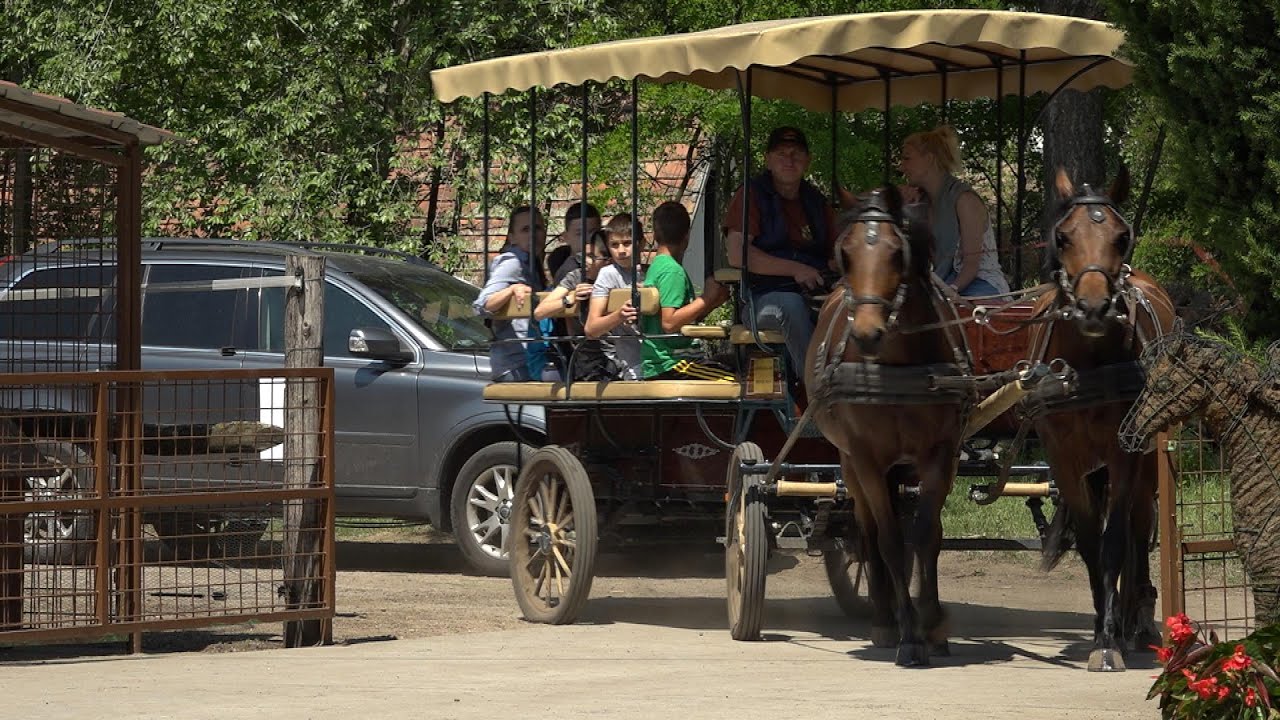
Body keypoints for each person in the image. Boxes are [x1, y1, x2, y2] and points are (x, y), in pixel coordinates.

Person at [723, 126, 837, 373]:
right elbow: (737, 253)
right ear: (768, 159)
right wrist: (796, 269)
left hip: (816, 293)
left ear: (807, 160)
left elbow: (837, 252)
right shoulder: (751, 195)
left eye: (796, 154)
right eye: (781, 154)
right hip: (761, 299)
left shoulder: (816, 201)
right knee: (791, 306)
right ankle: (818, 388)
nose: (789, 160)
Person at [898, 125, 1010, 297]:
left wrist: (951, 290)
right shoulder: (920, 201)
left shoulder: (964, 199)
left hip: (979, 284)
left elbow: (971, 264)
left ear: (929, 159)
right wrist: (902, 209)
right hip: (941, 282)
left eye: (907, 159)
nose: (901, 167)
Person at [642, 201, 733, 380]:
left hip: (671, 363)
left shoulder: (658, 266)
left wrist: (712, 304)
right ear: (687, 236)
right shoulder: (671, 271)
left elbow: (683, 319)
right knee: (738, 383)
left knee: (731, 364)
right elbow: (669, 323)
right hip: (673, 365)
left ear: (655, 234)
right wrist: (706, 298)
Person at [472, 205, 549, 382]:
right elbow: (482, 304)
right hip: (515, 364)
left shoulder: (532, 263)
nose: (532, 234)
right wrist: (511, 290)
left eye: (537, 228)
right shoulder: (512, 262)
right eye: (525, 229)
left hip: (529, 359)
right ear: (512, 238)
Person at [534, 228, 614, 380]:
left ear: (607, 261)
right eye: (583, 256)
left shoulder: (620, 276)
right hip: (589, 366)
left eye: (591, 257)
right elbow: (540, 312)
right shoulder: (577, 277)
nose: (585, 261)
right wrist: (570, 299)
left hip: (621, 359)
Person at [584, 213, 644, 380]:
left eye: (627, 243)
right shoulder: (608, 274)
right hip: (635, 366)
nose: (621, 251)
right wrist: (619, 315)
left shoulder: (650, 272)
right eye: (615, 245)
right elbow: (591, 328)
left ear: (641, 243)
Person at [548, 201, 603, 285]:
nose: (587, 239)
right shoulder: (566, 272)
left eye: (593, 232)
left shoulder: (608, 264)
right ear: (566, 237)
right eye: (579, 234)